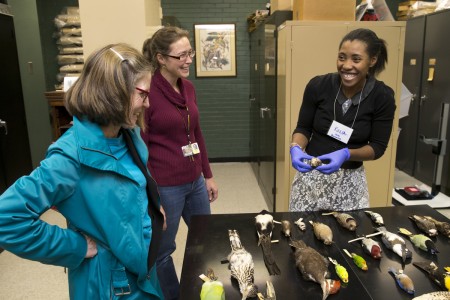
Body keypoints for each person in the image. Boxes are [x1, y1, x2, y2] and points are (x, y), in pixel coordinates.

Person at [0, 43, 165, 299]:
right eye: (142, 94)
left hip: (141, 273)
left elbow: (130, 187)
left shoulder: (128, 134)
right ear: (114, 93)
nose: (147, 104)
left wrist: (152, 209)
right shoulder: (69, 158)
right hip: (111, 287)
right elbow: (6, 220)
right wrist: (74, 247)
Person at [141, 26, 219, 299]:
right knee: (163, 251)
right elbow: (142, 148)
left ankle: (205, 288)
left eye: (191, 53)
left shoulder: (188, 87)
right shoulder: (147, 92)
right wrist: (153, 197)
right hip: (166, 187)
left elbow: (196, 133)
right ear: (161, 58)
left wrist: (207, 175)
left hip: (195, 181)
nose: (189, 60)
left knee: (205, 240)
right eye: (181, 55)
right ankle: (173, 295)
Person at [289, 28, 396, 212]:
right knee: (303, 233)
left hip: (350, 183)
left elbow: (377, 147)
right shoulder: (318, 86)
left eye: (356, 59)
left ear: (372, 60)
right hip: (311, 179)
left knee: (348, 236)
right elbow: (304, 128)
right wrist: (295, 148)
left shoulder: (382, 96)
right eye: (341, 57)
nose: (346, 65)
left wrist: (347, 154)